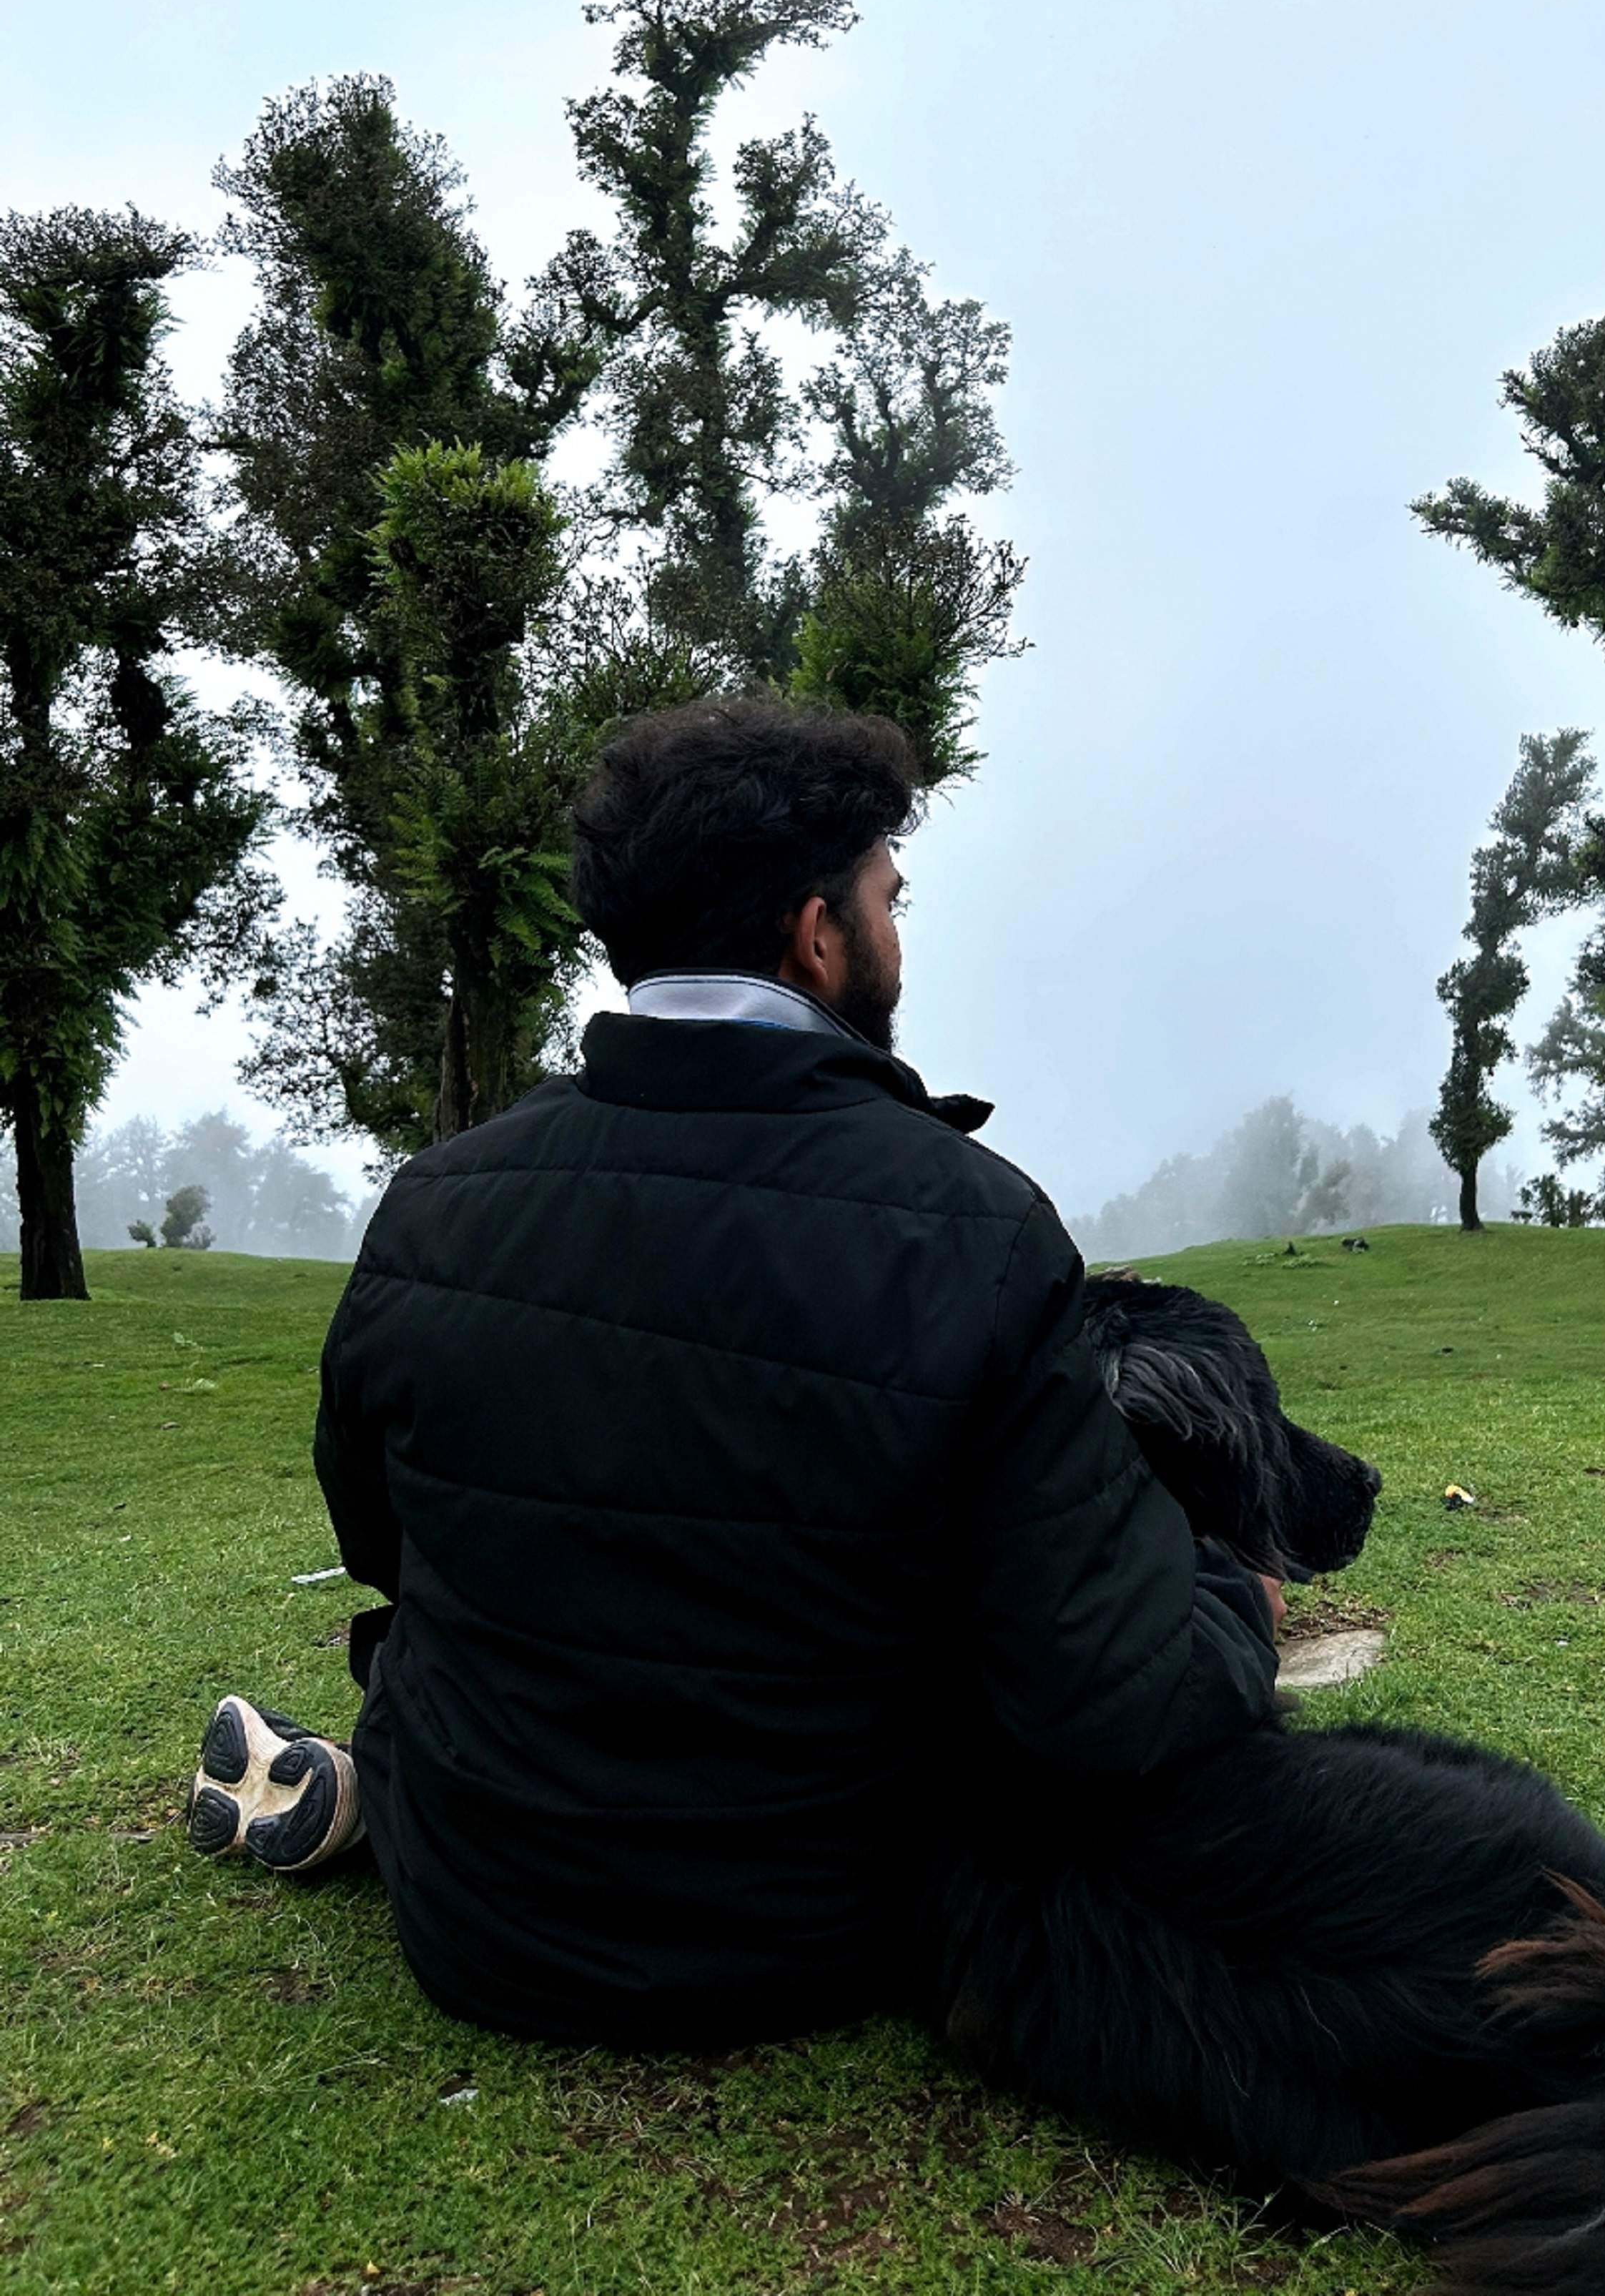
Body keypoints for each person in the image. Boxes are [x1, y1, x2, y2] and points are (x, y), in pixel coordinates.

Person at [187, 693, 1280, 2049]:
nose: (896, 938)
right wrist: (1233, 1603)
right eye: (889, 900)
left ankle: (369, 1789)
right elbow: (1110, 1695)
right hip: (817, 1937)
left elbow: (384, 1543)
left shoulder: (435, 1204)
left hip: (480, 1922)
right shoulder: (976, 1231)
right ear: (818, 936)